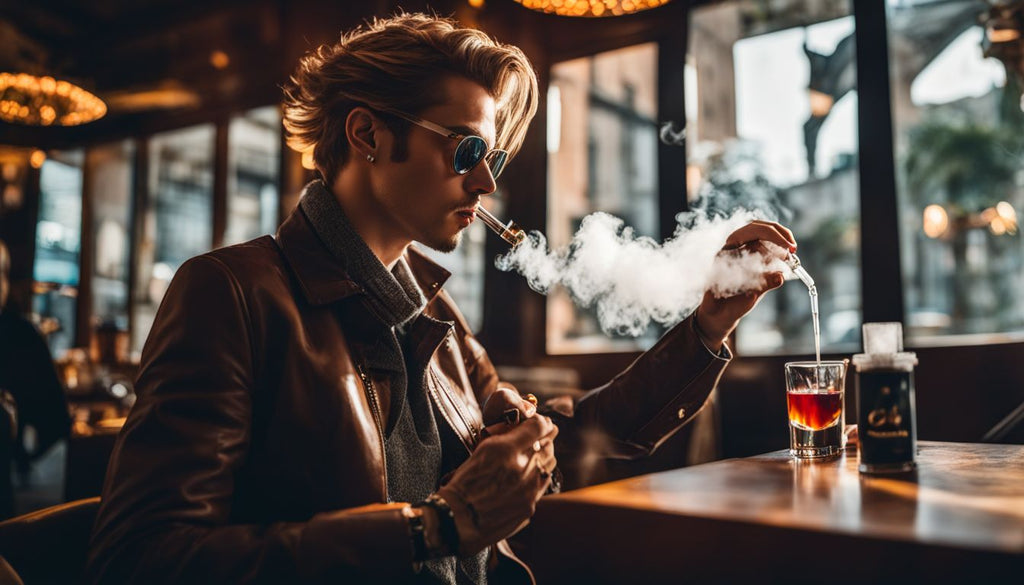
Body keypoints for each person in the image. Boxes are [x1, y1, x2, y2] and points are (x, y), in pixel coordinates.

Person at [86, 13, 796, 585]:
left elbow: (569, 444)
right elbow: (141, 560)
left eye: (493, 158)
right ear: (367, 133)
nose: (486, 183)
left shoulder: (434, 315)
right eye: (464, 152)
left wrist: (709, 321)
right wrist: (433, 529)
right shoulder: (231, 295)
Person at [0, 239, 71, 519]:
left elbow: (55, 419)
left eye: (3, 273)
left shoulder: (20, 336)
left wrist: (20, 459)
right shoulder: (20, 334)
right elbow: (55, 421)